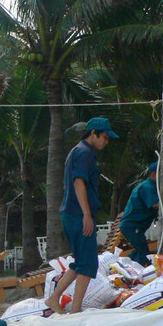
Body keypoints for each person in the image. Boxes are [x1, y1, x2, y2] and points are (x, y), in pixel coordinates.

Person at [45, 117, 117, 314]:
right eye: (104, 137)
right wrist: (86, 214)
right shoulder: (84, 153)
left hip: (71, 213)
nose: (106, 142)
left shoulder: (78, 152)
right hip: (78, 214)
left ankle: (53, 298)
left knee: (81, 262)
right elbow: (78, 183)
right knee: (88, 263)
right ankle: (75, 309)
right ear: (93, 134)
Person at [119, 162, 160, 266]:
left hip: (132, 226)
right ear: (154, 174)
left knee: (139, 250)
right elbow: (155, 204)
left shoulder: (148, 186)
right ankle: (135, 271)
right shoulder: (148, 187)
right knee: (143, 252)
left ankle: (123, 265)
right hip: (132, 226)